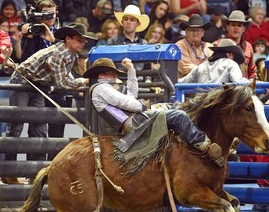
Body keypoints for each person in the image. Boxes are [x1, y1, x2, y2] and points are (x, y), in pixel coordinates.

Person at [84, 57, 225, 167]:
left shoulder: (106, 88)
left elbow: (131, 96)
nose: (115, 75)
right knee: (179, 115)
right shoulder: (101, 89)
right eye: (112, 73)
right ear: (102, 74)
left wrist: (131, 70)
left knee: (177, 107)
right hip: (134, 122)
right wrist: (144, 107)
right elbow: (126, 103)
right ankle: (205, 145)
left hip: (136, 118)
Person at [2, 23, 96, 184]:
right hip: (23, 82)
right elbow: (61, 83)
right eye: (79, 40)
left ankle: (36, 173)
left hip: (38, 85)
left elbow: (65, 80)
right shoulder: (60, 54)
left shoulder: (70, 54)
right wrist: (84, 82)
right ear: (68, 39)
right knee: (17, 125)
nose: (82, 43)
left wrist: (79, 82)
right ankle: (8, 171)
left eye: (83, 41)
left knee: (39, 128)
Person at [179, 38, 247, 83]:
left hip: (202, 103)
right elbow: (239, 82)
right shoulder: (231, 64)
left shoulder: (201, 66)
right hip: (222, 102)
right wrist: (250, 82)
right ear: (230, 54)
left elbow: (182, 82)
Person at [214, 10, 257, 80]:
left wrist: (253, 82)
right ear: (227, 27)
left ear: (243, 29)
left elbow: (252, 72)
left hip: (244, 88)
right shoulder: (217, 45)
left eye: (239, 25)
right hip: (223, 88)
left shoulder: (248, 47)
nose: (236, 28)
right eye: (233, 25)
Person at [176, 14, 213, 78]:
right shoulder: (179, 46)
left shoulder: (209, 46)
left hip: (207, 83)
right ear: (186, 32)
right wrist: (206, 69)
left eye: (198, 30)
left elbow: (214, 69)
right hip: (186, 85)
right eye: (192, 30)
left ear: (202, 33)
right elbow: (186, 69)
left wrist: (195, 68)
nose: (195, 33)